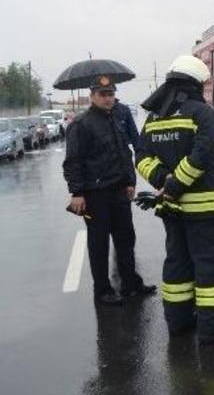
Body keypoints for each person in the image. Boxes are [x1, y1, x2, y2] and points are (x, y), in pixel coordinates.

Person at [136, 55, 214, 345]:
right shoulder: (201, 113)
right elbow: (203, 154)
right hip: (206, 209)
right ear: (194, 83)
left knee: (178, 263)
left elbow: (141, 157)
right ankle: (211, 327)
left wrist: (162, 179)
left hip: (172, 209)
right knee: (209, 266)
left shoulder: (154, 117)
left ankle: (178, 321)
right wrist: (175, 183)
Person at [62, 74, 155, 306]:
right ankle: (103, 291)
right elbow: (73, 162)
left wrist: (130, 181)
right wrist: (77, 193)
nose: (107, 98)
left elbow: (124, 153)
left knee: (126, 239)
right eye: (103, 94)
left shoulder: (115, 119)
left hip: (119, 191)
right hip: (96, 195)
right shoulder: (81, 125)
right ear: (92, 96)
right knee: (99, 244)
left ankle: (130, 284)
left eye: (111, 94)